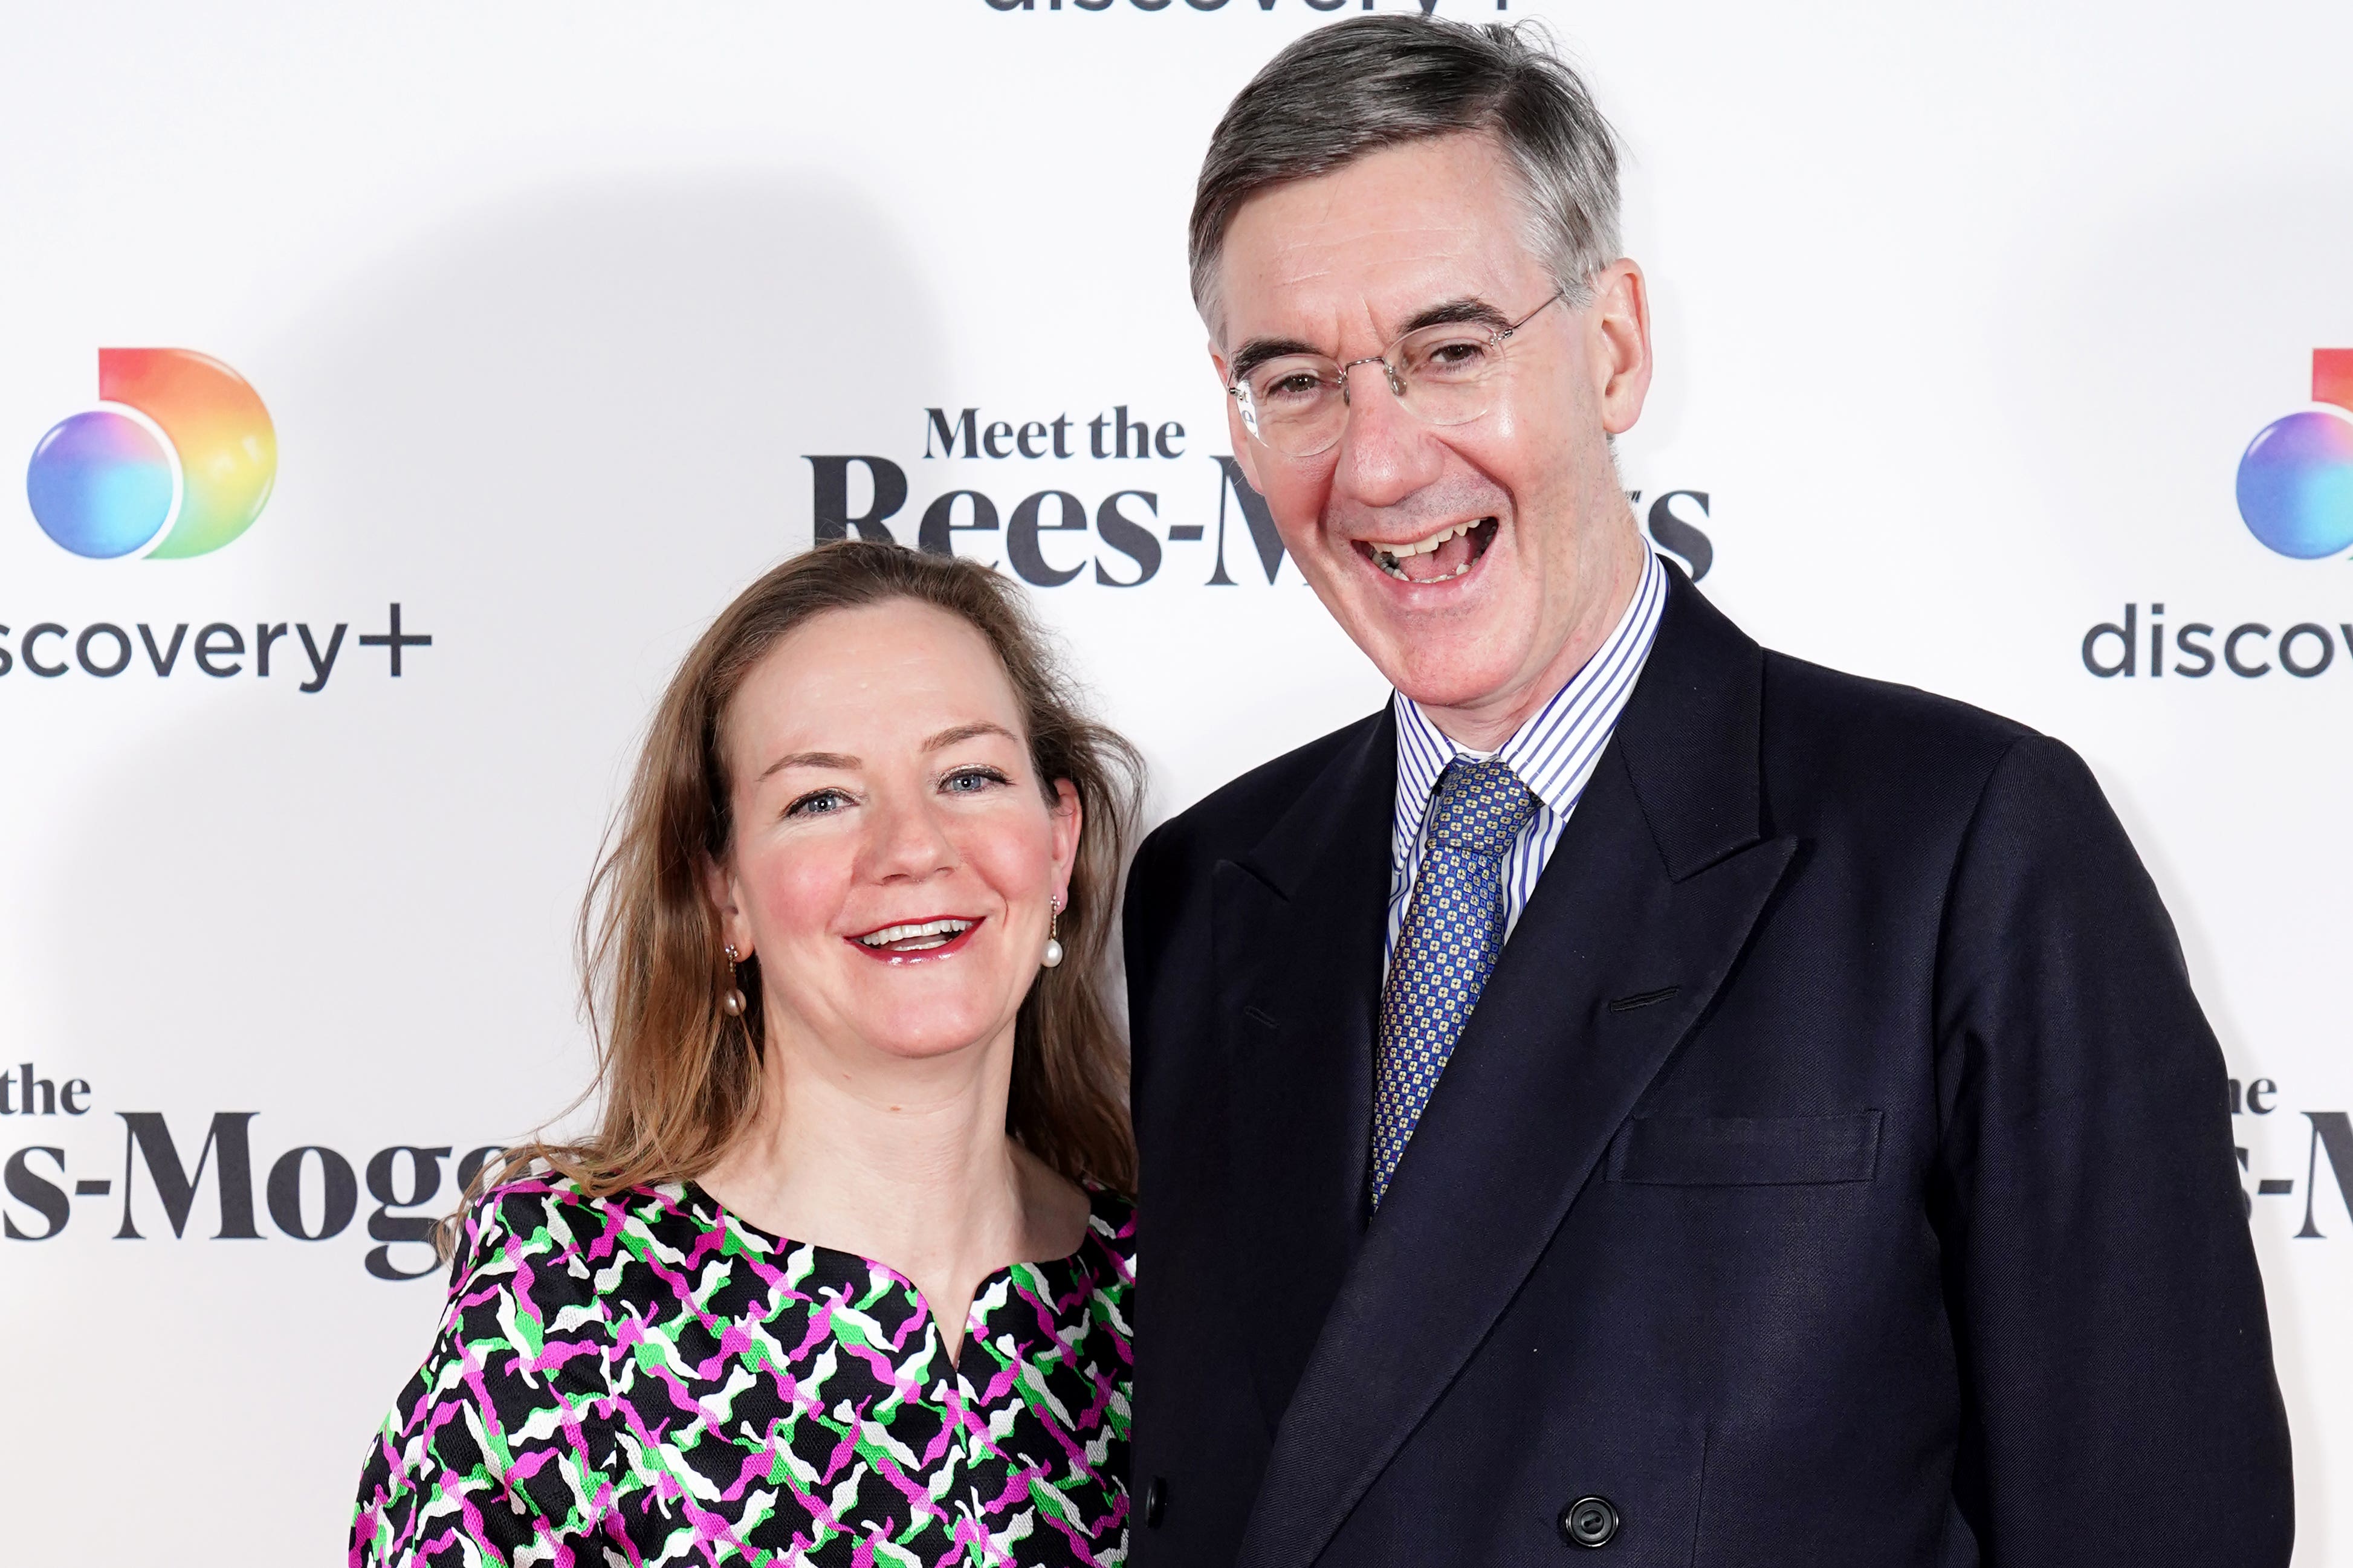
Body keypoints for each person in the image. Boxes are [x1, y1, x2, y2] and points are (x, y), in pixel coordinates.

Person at [1122, 16, 2291, 1566]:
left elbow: (2155, 1522)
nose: (1384, 463)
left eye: (1451, 350)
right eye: (1299, 381)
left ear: (1612, 347)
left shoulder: (1968, 846)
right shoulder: (1210, 883)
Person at [351, 541, 1142, 1566]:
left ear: (1057, 844)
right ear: (724, 891)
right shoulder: (564, 1316)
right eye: (821, 799)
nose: (912, 846)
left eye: (968, 775)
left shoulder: (1168, 1304)